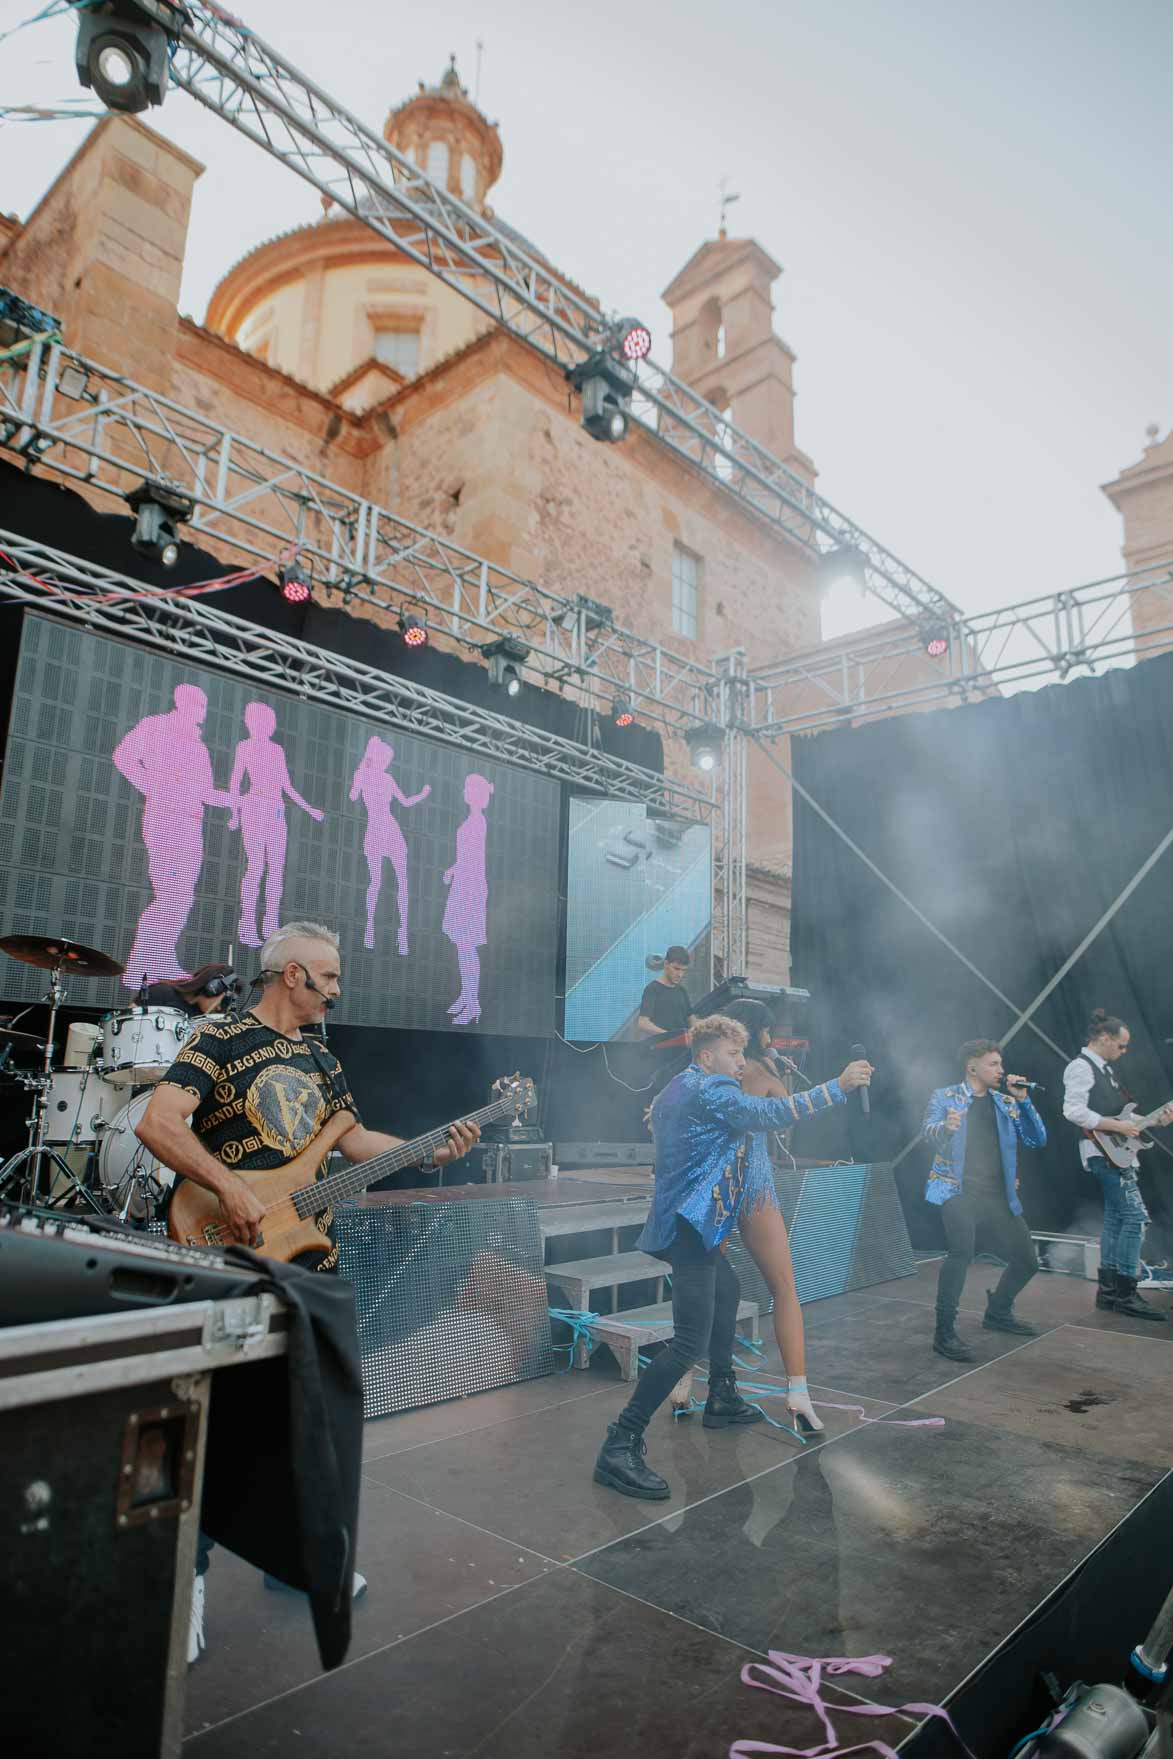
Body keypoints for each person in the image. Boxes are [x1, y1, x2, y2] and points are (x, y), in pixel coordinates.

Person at [135, 919, 481, 1661]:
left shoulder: (323, 1059)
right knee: (217, 1424)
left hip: (309, 1260)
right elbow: (157, 1122)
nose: (336, 989)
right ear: (291, 973)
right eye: (327, 976)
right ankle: (182, 1584)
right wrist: (227, 1186)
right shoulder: (219, 1039)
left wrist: (428, 1152)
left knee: (311, 1424)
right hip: (227, 1250)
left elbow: (355, 1146)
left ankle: (295, 1565)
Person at [592, 1014, 871, 1501]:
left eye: (743, 1054)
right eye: (732, 1054)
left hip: (688, 1224)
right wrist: (840, 1085)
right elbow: (770, 1115)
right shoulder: (709, 1091)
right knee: (687, 1344)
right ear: (706, 1056)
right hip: (692, 1231)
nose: (741, 1063)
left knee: (730, 1289)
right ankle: (620, 1443)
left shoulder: (679, 1086)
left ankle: (720, 1395)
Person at [719, 998, 825, 1433]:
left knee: (706, 1286)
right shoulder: (762, 1072)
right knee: (783, 1287)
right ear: (760, 1034)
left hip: (715, 1186)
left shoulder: (710, 1077)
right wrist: (777, 1072)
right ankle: (797, 1392)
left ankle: (688, 1381)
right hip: (754, 1186)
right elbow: (789, 1115)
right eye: (768, 1032)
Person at [922, 1040, 1047, 1362]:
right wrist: (946, 1128)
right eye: (994, 1064)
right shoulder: (946, 1097)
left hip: (998, 1194)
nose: (1001, 1071)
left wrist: (1025, 1101)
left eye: (1000, 1064)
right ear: (972, 1066)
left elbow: (1036, 1139)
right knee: (961, 1253)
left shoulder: (1006, 1101)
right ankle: (944, 1332)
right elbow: (928, 1133)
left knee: (1027, 1260)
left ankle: (998, 1310)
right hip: (956, 1190)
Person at [113, 683, 233, 985]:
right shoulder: (155, 726)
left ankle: (154, 960)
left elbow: (204, 792)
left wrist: (236, 801)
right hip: (166, 821)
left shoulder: (198, 745)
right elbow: (123, 756)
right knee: (168, 896)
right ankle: (144, 964)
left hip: (192, 824)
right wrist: (154, 789)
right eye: (201, 706)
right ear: (185, 704)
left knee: (182, 898)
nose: (204, 713)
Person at [1061, 1009, 1173, 1322]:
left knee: (1115, 1222)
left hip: (1114, 1152)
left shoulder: (1105, 1070)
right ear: (1104, 1038)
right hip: (1103, 1153)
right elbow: (1073, 1110)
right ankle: (1126, 1292)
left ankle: (1110, 1293)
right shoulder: (1081, 1068)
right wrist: (1118, 1127)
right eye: (1121, 1046)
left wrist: (1152, 1121)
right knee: (1135, 1220)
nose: (1123, 1052)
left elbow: (1120, 1117)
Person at [228, 702, 324, 949]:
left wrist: (309, 808)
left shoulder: (276, 750)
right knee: (256, 866)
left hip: (276, 810)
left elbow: (287, 786)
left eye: (269, 723)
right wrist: (234, 813)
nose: (266, 727)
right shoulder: (244, 746)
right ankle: (247, 923)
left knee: (276, 869)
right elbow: (235, 783)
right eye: (262, 721)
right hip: (254, 806)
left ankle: (271, 924)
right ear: (251, 722)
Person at [348, 736, 431, 955]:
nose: (385, 763)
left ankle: (403, 933)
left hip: (391, 829)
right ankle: (369, 929)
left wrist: (422, 795)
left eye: (387, 760)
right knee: (376, 881)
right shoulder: (363, 775)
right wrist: (359, 775)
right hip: (375, 829)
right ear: (374, 757)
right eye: (382, 758)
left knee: (403, 880)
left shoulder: (388, 779)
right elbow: (353, 796)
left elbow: (404, 801)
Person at [442, 772, 493, 1026]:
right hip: (464, 884)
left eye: (469, 789)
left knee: (467, 948)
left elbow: (473, 860)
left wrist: (459, 873)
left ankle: (473, 1004)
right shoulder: (471, 820)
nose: (465, 792)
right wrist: (452, 871)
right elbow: (465, 857)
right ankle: (466, 995)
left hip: (470, 887)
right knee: (462, 947)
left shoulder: (478, 821)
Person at [144, 962, 240, 1018]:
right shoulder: (160, 993)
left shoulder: (203, 1020)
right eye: (222, 1002)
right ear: (212, 987)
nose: (219, 1008)